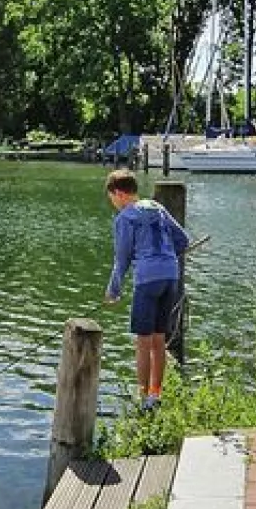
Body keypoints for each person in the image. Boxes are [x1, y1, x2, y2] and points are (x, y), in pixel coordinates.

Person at [104, 169, 190, 408]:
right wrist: (167, 257)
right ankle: (155, 394)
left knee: (143, 341)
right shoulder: (156, 207)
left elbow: (121, 260)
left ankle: (142, 398)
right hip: (171, 276)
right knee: (159, 339)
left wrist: (113, 291)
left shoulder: (124, 218)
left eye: (112, 198)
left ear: (119, 194)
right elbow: (182, 240)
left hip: (148, 279)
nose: (113, 204)